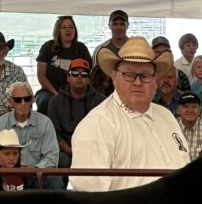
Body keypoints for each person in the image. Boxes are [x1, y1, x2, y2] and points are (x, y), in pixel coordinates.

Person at [69, 37, 189, 194]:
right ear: (114, 77)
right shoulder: (97, 124)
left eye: (145, 75)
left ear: (155, 80)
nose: (138, 82)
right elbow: (91, 198)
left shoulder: (166, 116)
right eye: (129, 75)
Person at [0, 82, 60, 184]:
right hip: (6, 174)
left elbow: (51, 157)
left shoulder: (45, 123)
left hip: (36, 174)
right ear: (10, 102)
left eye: (27, 99)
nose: (23, 103)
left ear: (32, 100)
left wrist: (34, 169)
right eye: (18, 100)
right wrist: (6, 169)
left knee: (54, 178)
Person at [43, 55, 103, 168]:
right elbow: (54, 134)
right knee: (62, 161)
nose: (79, 77)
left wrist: (86, 152)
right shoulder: (55, 101)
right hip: (65, 150)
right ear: (68, 77)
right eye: (74, 74)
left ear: (89, 79)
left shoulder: (101, 101)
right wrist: (71, 152)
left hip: (92, 148)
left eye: (84, 74)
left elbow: (103, 133)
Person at [33, 16, 91, 108]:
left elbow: (88, 75)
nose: (68, 30)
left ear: (75, 30)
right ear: (58, 31)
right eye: (64, 27)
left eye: (71, 27)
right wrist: (56, 94)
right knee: (46, 102)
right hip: (49, 91)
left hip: (76, 91)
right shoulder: (47, 47)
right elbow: (41, 76)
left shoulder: (82, 49)